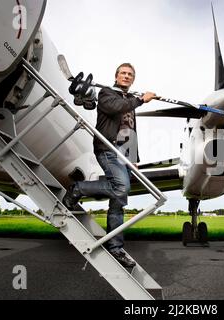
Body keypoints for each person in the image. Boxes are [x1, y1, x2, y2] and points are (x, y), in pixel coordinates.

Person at [63, 63, 156, 267]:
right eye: (123, 73)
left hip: (124, 155)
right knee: (121, 187)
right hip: (107, 149)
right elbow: (114, 107)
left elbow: (130, 131)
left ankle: (115, 248)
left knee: (119, 199)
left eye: (130, 74)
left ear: (133, 79)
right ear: (116, 76)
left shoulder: (129, 102)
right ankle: (78, 188)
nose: (126, 76)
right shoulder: (106, 94)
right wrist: (140, 100)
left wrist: (133, 161)